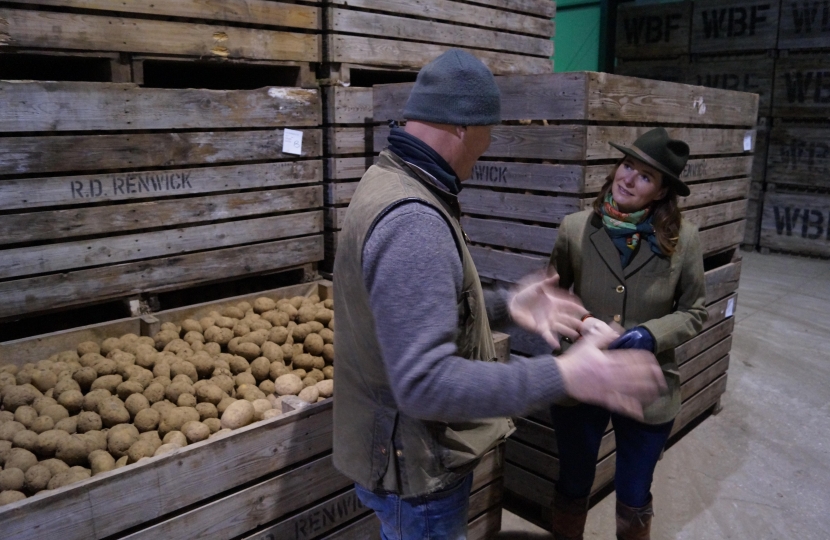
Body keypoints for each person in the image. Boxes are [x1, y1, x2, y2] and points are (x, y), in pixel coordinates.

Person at [332, 49, 667, 540]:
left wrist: (508, 305)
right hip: (416, 470)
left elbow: (417, 312)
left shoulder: (391, 179)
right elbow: (425, 383)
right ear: (464, 127)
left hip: (397, 454)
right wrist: (565, 373)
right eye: (488, 133)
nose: (487, 147)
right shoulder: (413, 220)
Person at [548, 128, 709, 540]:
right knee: (573, 484)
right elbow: (550, 297)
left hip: (647, 386)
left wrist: (651, 336)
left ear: (660, 192)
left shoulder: (684, 240)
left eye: (645, 177)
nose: (628, 179)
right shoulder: (575, 229)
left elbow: (694, 311)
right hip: (582, 378)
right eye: (627, 166)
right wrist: (579, 329)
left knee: (635, 495)